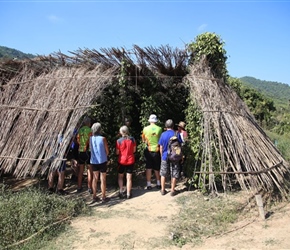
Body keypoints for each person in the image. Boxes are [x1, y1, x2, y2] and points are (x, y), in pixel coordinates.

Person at [158, 119, 183, 196]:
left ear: (166, 126)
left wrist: (162, 156)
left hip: (165, 156)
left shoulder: (163, 134)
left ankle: (162, 190)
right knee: (174, 172)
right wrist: (181, 156)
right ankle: (172, 190)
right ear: (173, 126)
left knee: (163, 173)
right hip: (174, 156)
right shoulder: (177, 133)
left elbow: (161, 147)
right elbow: (180, 145)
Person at [90, 122, 110, 203]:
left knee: (94, 178)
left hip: (93, 161)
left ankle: (94, 196)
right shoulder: (103, 138)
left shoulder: (90, 138)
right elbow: (107, 151)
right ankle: (103, 196)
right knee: (103, 179)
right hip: (102, 160)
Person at [141, 114, 162, 190]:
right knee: (157, 167)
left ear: (149, 120)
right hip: (157, 150)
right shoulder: (159, 129)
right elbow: (160, 139)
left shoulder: (145, 129)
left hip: (148, 150)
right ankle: (158, 183)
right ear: (156, 121)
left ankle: (149, 184)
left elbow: (143, 140)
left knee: (148, 167)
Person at [116, 125, 136, 199]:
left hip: (121, 161)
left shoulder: (119, 141)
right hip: (130, 160)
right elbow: (134, 150)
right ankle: (128, 193)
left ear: (121, 132)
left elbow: (117, 153)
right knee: (129, 178)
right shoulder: (132, 139)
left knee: (120, 176)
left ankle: (121, 192)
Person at [76, 117, 93, 193]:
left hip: (81, 150)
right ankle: (89, 187)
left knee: (81, 170)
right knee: (89, 170)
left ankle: (79, 187)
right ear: (89, 123)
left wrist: (81, 146)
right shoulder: (90, 130)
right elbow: (90, 140)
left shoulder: (80, 130)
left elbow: (78, 140)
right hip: (88, 151)